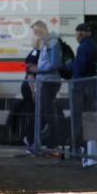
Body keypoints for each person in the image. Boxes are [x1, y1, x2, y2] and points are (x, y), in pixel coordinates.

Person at [28, 21, 63, 152]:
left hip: (50, 81)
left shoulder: (52, 43)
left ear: (45, 29)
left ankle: (53, 144)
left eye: (38, 31)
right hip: (45, 81)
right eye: (35, 32)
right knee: (45, 112)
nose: (37, 34)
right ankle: (45, 143)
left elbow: (56, 64)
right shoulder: (45, 43)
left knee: (48, 113)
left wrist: (38, 69)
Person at [69, 23, 97, 155]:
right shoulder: (93, 44)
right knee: (90, 117)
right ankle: (91, 148)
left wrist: (70, 65)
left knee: (79, 117)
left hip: (82, 87)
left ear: (80, 33)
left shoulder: (83, 47)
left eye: (76, 33)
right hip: (90, 86)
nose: (76, 36)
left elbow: (80, 68)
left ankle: (79, 149)